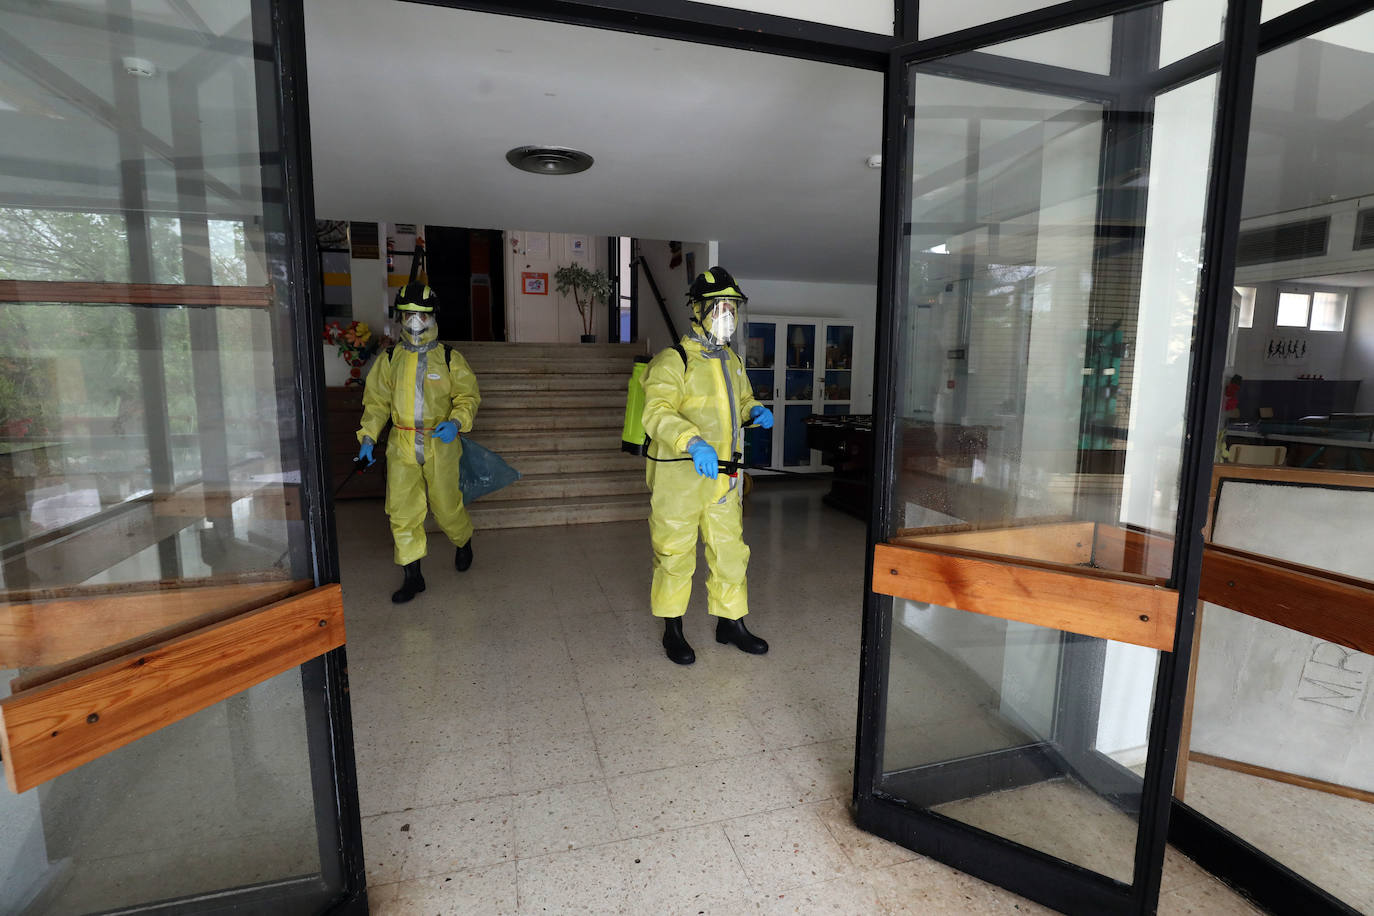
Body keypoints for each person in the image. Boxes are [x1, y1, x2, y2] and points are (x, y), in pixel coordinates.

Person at [641, 266, 774, 664]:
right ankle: (673, 629)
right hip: (679, 479)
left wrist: (756, 411)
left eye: (732, 307)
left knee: (730, 551)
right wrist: (692, 441)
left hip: (724, 478)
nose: (727, 315)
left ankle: (730, 622)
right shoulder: (673, 360)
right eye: (719, 307)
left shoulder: (731, 360)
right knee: (675, 554)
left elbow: (741, 401)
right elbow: (657, 412)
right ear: (698, 311)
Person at [356, 284, 480, 603]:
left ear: (431, 317)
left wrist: (456, 422)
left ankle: (463, 540)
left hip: (440, 443)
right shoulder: (389, 359)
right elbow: (376, 402)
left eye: (420, 315)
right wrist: (368, 437)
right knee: (401, 510)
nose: (414, 320)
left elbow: (467, 397)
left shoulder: (450, 358)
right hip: (402, 443)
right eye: (408, 314)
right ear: (400, 316)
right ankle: (413, 576)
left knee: (446, 506)